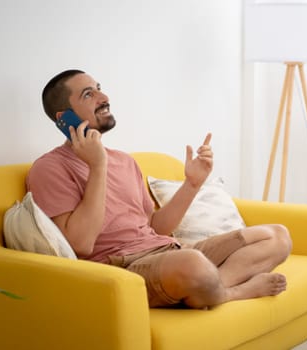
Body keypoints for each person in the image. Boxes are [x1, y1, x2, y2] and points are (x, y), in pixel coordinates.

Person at [27, 69, 292, 309]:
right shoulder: (49, 168)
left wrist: (192, 184)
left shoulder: (125, 160)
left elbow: (156, 227)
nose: (104, 97)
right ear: (64, 118)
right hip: (122, 267)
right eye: (89, 94)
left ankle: (212, 288)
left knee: (277, 236)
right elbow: (81, 245)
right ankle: (231, 292)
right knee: (192, 264)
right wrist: (97, 166)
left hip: (169, 251)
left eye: (99, 87)